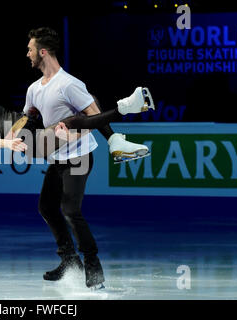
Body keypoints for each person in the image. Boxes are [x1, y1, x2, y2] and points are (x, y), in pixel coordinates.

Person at [23, 27, 154, 289]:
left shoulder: (69, 84)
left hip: (79, 156)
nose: (27, 54)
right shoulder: (34, 89)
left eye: (30, 49)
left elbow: (93, 115)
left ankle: (93, 267)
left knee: (70, 210)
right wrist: (25, 136)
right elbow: (30, 118)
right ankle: (69, 260)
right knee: (46, 207)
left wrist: (83, 136)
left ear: (43, 52)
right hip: (56, 157)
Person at [0, 82, 153, 163]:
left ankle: (114, 141)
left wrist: (33, 112)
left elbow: (20, 119)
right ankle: (125, 109)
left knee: (87, 101)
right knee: (72, 122)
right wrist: (6, 145)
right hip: (33, 143)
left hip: (36, 130)